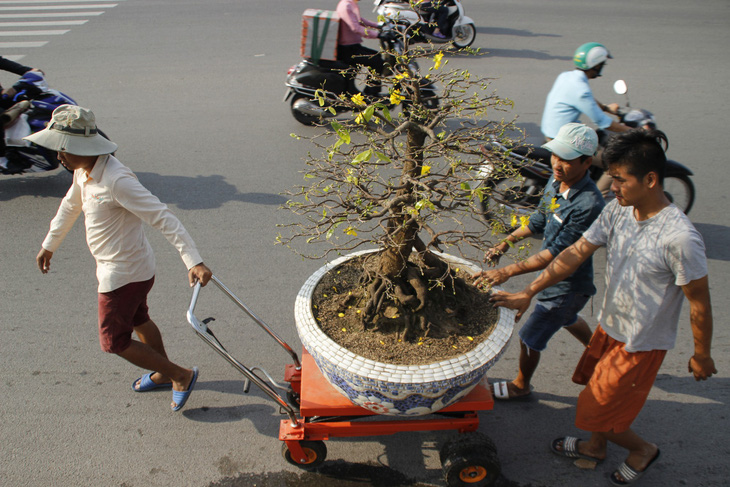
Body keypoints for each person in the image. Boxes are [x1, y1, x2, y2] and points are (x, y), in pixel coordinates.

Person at [491, 129, 716, 485]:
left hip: (639, 344)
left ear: (651, 179)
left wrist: (701, 355)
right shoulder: (618, 210)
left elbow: (699, 302)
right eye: (610, 177)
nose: (611, 187)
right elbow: (575, 253)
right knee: (594, 390)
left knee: (595, 408)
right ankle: (595, 448)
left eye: (621, 180)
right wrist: (529, 291)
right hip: (611, 328)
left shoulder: (680, 238)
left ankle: (642, 451)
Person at [32, 105, 213, 412]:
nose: (58, 157)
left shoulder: (117, 180)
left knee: (114, 341)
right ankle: (163, 373)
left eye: (63, 150)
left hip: (123, 275)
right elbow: (69, 206)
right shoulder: (83, 171)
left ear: (83, 147)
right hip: (130, 267)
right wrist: (50, 244)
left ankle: (179, 375)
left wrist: (193, 260)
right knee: (139, 319)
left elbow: (162, 216)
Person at [473, 123, 604, 400]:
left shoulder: (588, 205)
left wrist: (507, 272)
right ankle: (599, 350)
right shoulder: (556, 182)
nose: (558, 164)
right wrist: (505, 243)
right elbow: (537, 221)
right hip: (555, 282)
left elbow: (557, 254)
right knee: (567, 319)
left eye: (567, 159)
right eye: (556, 155)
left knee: (530, 338)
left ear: (587, 162)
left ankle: (521, 386)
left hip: (566, 287)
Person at [541, 42, 631, 197]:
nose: (602, 67)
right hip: (564, 140)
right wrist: (635, 131)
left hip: (551, 132)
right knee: (618, 163)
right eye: (602, 64)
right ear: (595, 65)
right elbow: (604, 122)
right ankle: (600, 199)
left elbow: (587, 99)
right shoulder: (581, 90)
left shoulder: (567, 77)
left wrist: (606, 107)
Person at [336, 0, 384, 96]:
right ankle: (372, 93)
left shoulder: (349, 4)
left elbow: (359, 20)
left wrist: (378, 26)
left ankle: (370, 90)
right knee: (376, 61)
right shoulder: (346, 6)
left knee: (376, 57)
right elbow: (355, 27)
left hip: (352, 46)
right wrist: (377, 35)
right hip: (347, 49)